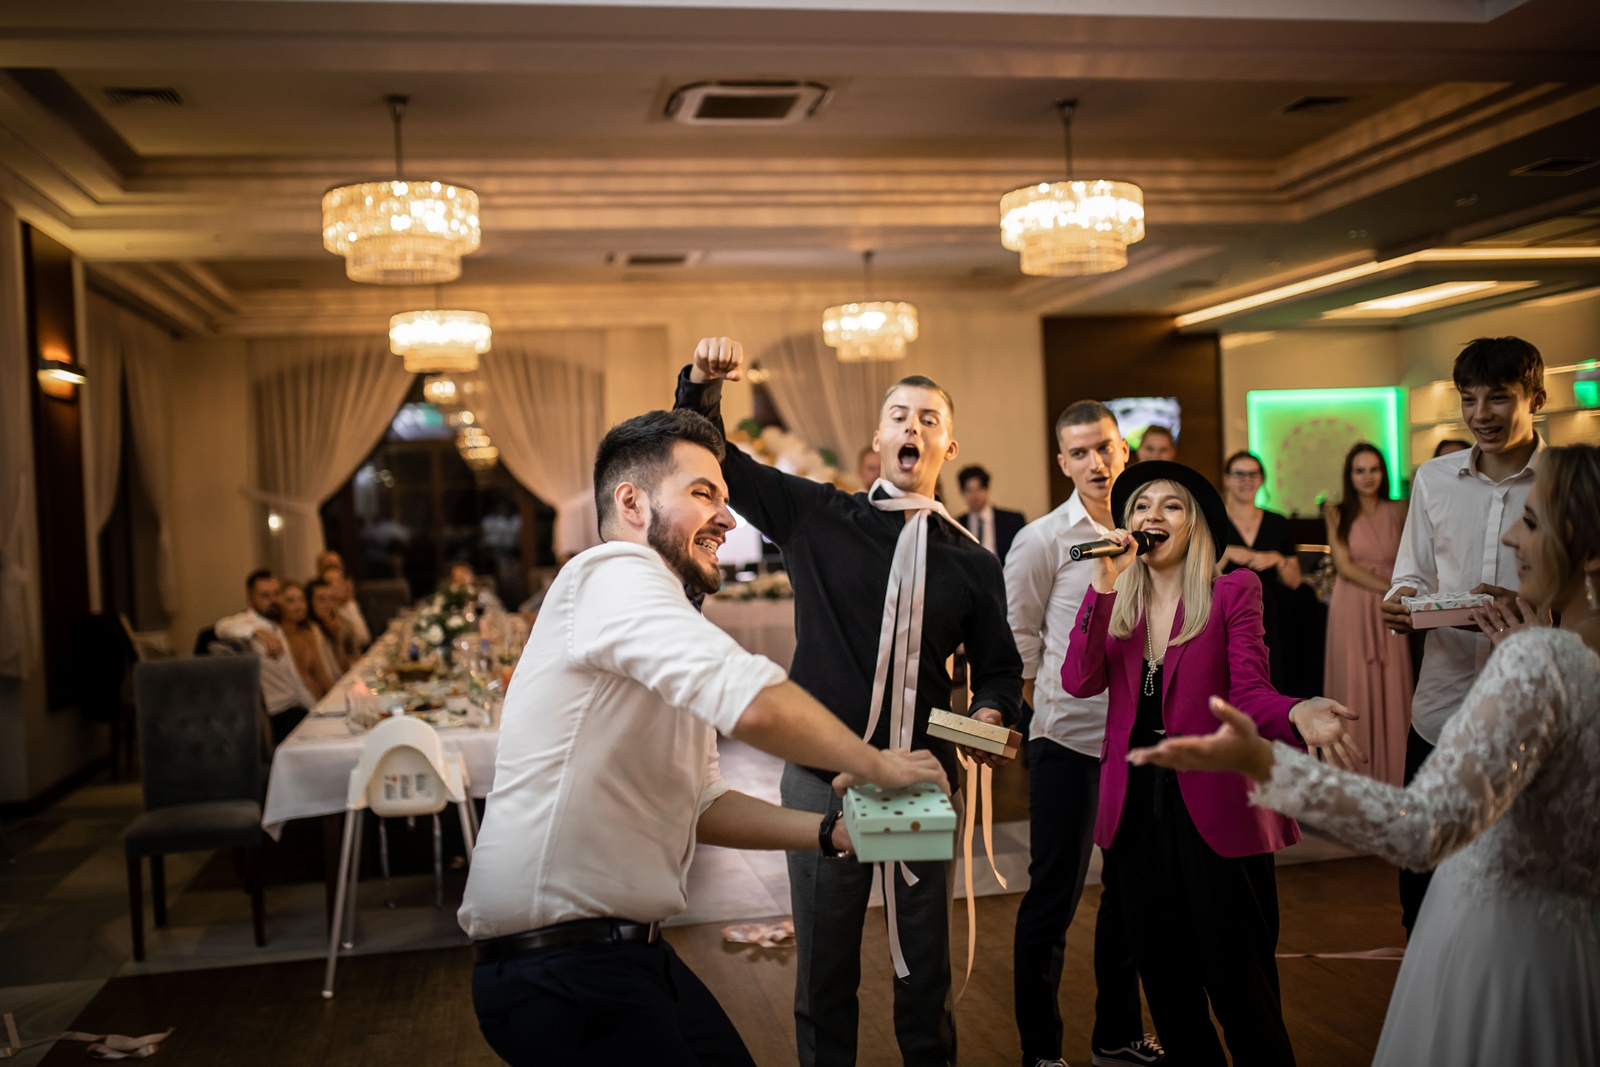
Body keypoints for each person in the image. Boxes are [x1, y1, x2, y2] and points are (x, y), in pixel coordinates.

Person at [460, 409, 950, 1065]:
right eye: (702, 493)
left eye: (724, 497)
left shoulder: (654, 623)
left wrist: (832, 833)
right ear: (631, 503)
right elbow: (748, 695)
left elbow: (702, 802)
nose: (728, 518)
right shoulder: (609, 571)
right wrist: (878, 764)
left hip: (627, 953)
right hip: (560, 967)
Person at [1130, 443, 1600, 1067]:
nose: (1512, 536)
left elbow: (1424, 829)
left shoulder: (1538, 660)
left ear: (1588, 552)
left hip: (1509, 946)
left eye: (1531, 521)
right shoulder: (1559, 653)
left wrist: (1270, 766)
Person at [676, 338, 1021, 1067]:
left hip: (917, 778)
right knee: (825, 973)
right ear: (878, 438)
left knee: (922, 976)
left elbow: (998, 670)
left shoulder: (972, 560)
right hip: (820, 779)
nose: (913, 427)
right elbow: (720, 460)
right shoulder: (817, 515)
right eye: (899, 416)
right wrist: (702, 387)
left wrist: (990, 714)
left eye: (929, 419)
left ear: (949, 444)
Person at [1061, 461, 1360, 1067]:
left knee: (1243, 994)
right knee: (1169, 997)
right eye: (1141, 506)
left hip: (1218, 808)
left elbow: (1251, 692)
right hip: (1137, 813)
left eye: (1170, 505)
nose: (1152, 515)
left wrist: (1296, 711)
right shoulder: (1117, 604)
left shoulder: (1232, 593)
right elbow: (1079, 680)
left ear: (1195, 524)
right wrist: (1102, 583)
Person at [1004, 401, 1160, 1067]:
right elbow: (1018, 642)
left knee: (1129, 895)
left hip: (1140, 741)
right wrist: (1042, 714)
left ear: (1124, 449)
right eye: (1079, 453)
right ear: (1062, 462)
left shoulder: (1157, 529)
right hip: (1067, 741)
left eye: (1104, 447)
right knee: (1054, 898)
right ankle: (1041, 1052)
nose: (1095, 463)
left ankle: (1116, 1036)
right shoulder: (1043, 539)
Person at [1381, 335, 1546, 938]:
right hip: (1440, 709)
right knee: (1422, 879)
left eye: (1498, 398)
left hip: (1532, 712)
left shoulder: (1568, 480)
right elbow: (1412, 573)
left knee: (1520, 881)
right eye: (1468, 399)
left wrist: (1534, 614)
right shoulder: (1434, 478)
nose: (1480, 414)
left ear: (1536, 398)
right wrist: (1400, 601)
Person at [1323, 443, 1412, 784]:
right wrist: (1391, 586)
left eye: (1374, 469)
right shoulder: (1336, 511)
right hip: (1353, 605)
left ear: (1383, 473)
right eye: (1359, 470)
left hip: (1392, 606)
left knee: (1394, 683)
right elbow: (1344, 566)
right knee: (1354, 681)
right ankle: (1354, 778)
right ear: (1349, 475)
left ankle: (1395, 775)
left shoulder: (1400, 508)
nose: (1367, 477)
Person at [1219, 451, 1304, 695]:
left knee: (1270, 684)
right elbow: (1201, 575)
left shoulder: (1277, 522)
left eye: (1252, 474)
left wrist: (1277, 558)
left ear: (1262, 479)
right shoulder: (1214, 522)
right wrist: (1228, 553)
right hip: (1225, 617)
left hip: (1271, 620)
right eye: (1239, 474)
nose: (1246, 480)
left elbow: (1295, 581)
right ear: (1226, 479)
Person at [215, 569, 316, 745]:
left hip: (295, 707)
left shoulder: (276, 626)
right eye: (265, 596)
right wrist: (256, 631)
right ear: (250, 599)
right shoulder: (247, 622)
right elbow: (221, 627)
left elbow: (294, 679)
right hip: (275, 716)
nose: (273, 600)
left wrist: (316, 709)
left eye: (276, 594)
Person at [957, 464, 1026, 564]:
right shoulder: (957, 525)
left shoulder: (1012, 521)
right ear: (962, 493)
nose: (975, 495)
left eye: (979, 489)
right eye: (969, 490)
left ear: (987, 489)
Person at [278, 580, 335, 701]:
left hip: (319, 700)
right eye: (291, 601)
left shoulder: (308, 631)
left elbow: (321, 674)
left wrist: (333, 700)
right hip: (297, 704)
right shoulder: (277, 636)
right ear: (279, 605)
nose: (299, 606)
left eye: (301, 599)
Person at [315, 554, 371, 651]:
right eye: (330, 582)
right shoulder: (324, 612)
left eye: (339, 581)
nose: (335, 586)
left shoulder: (350, 603)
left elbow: (364, 638)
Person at [308, 577, 359, 677]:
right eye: (321, 599)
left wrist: (338, 638)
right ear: (310, 603)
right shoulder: (311, 630)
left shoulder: (329, 627)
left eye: (331, 599)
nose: (328, 605)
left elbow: (344, 668)